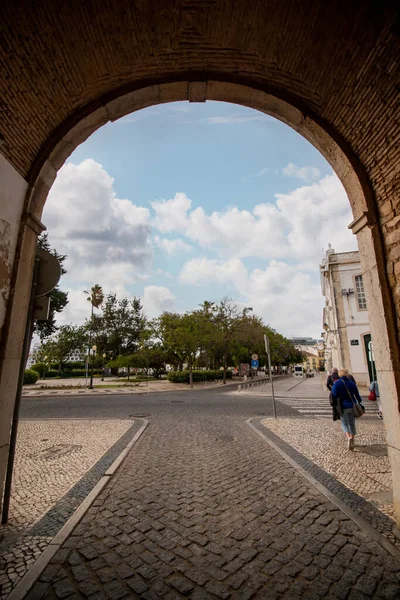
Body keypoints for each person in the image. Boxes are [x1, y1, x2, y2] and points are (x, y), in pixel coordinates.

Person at [331, 369, 365, 450]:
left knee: (344, 423)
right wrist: (362, 406)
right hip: (352, 406)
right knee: (352, 423)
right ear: (347, 374)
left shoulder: (337, 384)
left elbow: (334, 395)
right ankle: (352, 438)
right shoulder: (352, 383)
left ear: (339, 374)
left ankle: (348, 437)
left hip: (343, 407)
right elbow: (358, 396)